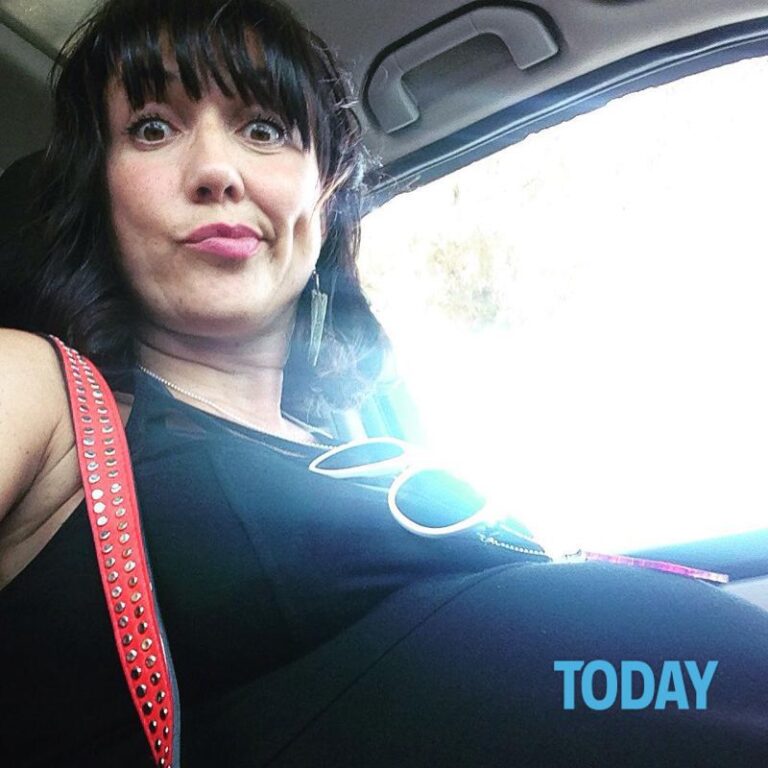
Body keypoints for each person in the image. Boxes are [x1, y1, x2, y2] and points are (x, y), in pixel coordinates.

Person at [1, 1, 767, 766]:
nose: (215, 171)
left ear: (326, 193)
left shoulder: (359, 443)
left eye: (263, 129)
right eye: (151, 129)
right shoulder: (42, 392)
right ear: (98, 188)